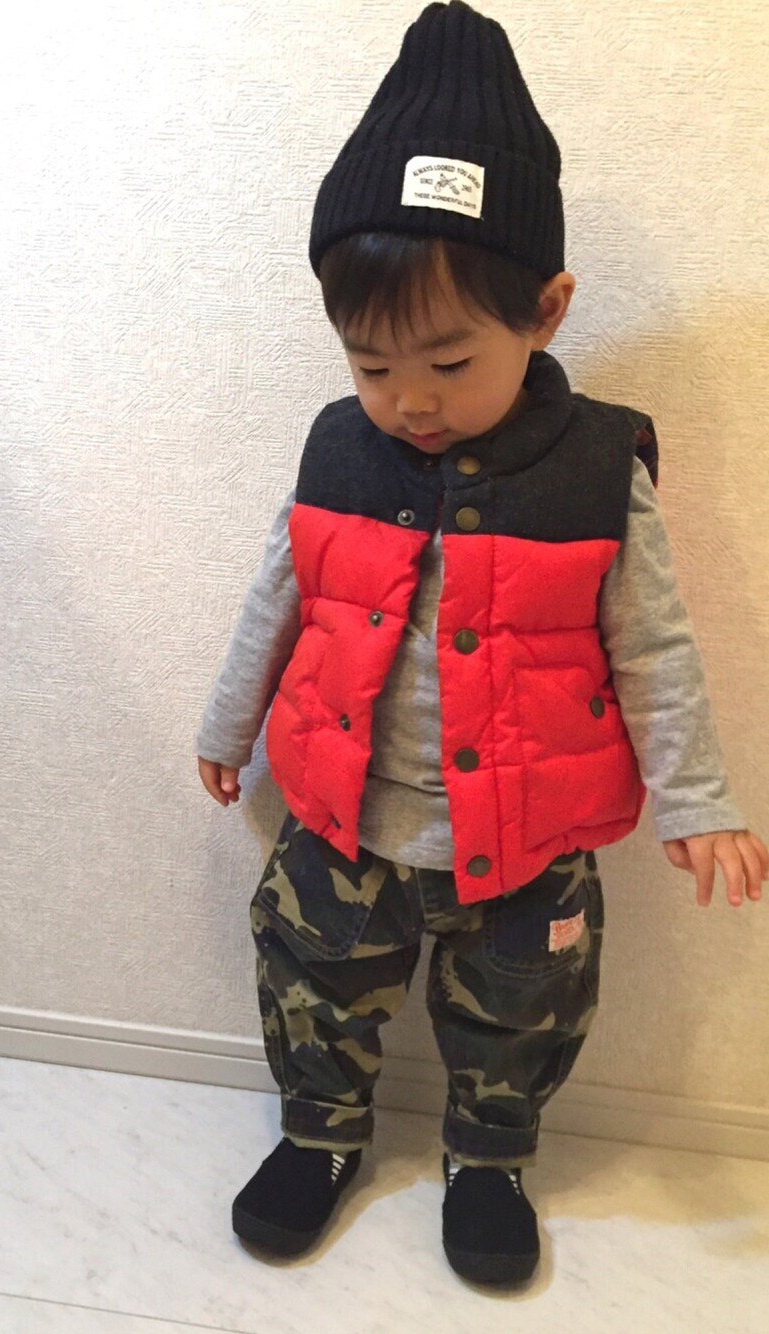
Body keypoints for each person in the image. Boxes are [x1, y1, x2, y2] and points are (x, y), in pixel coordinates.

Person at [195, 0, 767, 1287]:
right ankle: (319, 1132)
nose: (409, 400)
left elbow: (655, 649)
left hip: (529, 839)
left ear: (546, 310)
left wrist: (697, 800)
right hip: (343, 819)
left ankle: (489, 1157)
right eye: (371, 365)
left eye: (449, 362)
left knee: (521, 1012)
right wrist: (225, 723)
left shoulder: (597, 469)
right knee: (311, 980)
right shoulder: (337, 448)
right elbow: (276, 594)